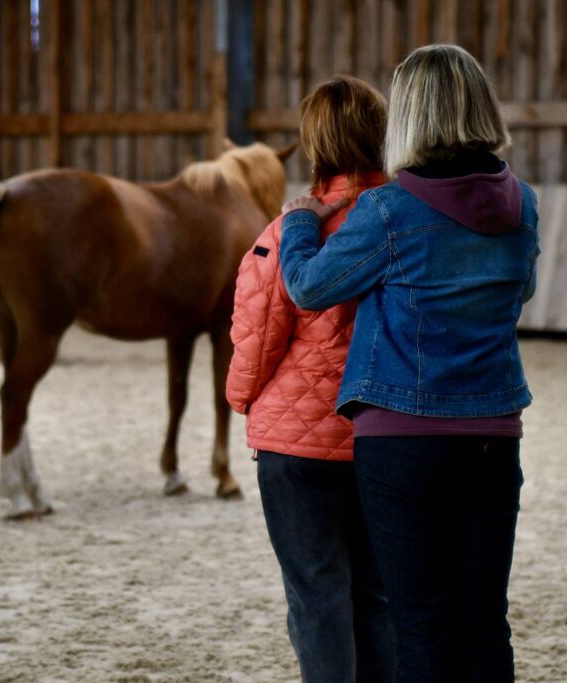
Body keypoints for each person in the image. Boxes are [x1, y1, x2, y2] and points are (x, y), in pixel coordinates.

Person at [279, 45, 540, 682]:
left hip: (403, 439)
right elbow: (521, 291)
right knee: (484, 619)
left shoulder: (388, 212)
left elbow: (310, 287)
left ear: (412, 118)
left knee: (419, 620)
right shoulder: (523, 204)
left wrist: (298, 225)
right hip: (493, 432)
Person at [226, 76, 395, 682]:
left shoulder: (284, 233)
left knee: (317, 596)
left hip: (295, 448)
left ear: (314, 143)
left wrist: (243, 399)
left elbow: (257, 337)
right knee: (377, 596)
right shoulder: (402, 222)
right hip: (382, 434)